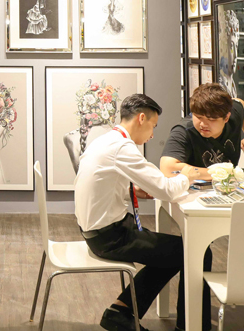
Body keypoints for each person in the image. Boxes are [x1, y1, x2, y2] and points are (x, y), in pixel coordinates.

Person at [75, 93, 211, 331]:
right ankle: (190, 326)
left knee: (173, 252)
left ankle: (121, 311)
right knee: (197, 252)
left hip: (98, 232)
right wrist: (188, 176)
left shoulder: (106, 140)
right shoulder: (122, 148)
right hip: (110, 237)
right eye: (153, 126)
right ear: (141, 118)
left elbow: (102, 185)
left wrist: (132, 191)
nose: (152, 135)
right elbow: (166, 190)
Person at [160, 83, 244, 331]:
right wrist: (214, 172)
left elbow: (242, 105)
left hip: (230, 197)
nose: (203, 124)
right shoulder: (184, 131)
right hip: (195, 201)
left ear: (226, 118)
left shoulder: (234, 113)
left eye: (211, 119)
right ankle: (189, 324)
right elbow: (167, 167)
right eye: (198, 116)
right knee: (198, 251)